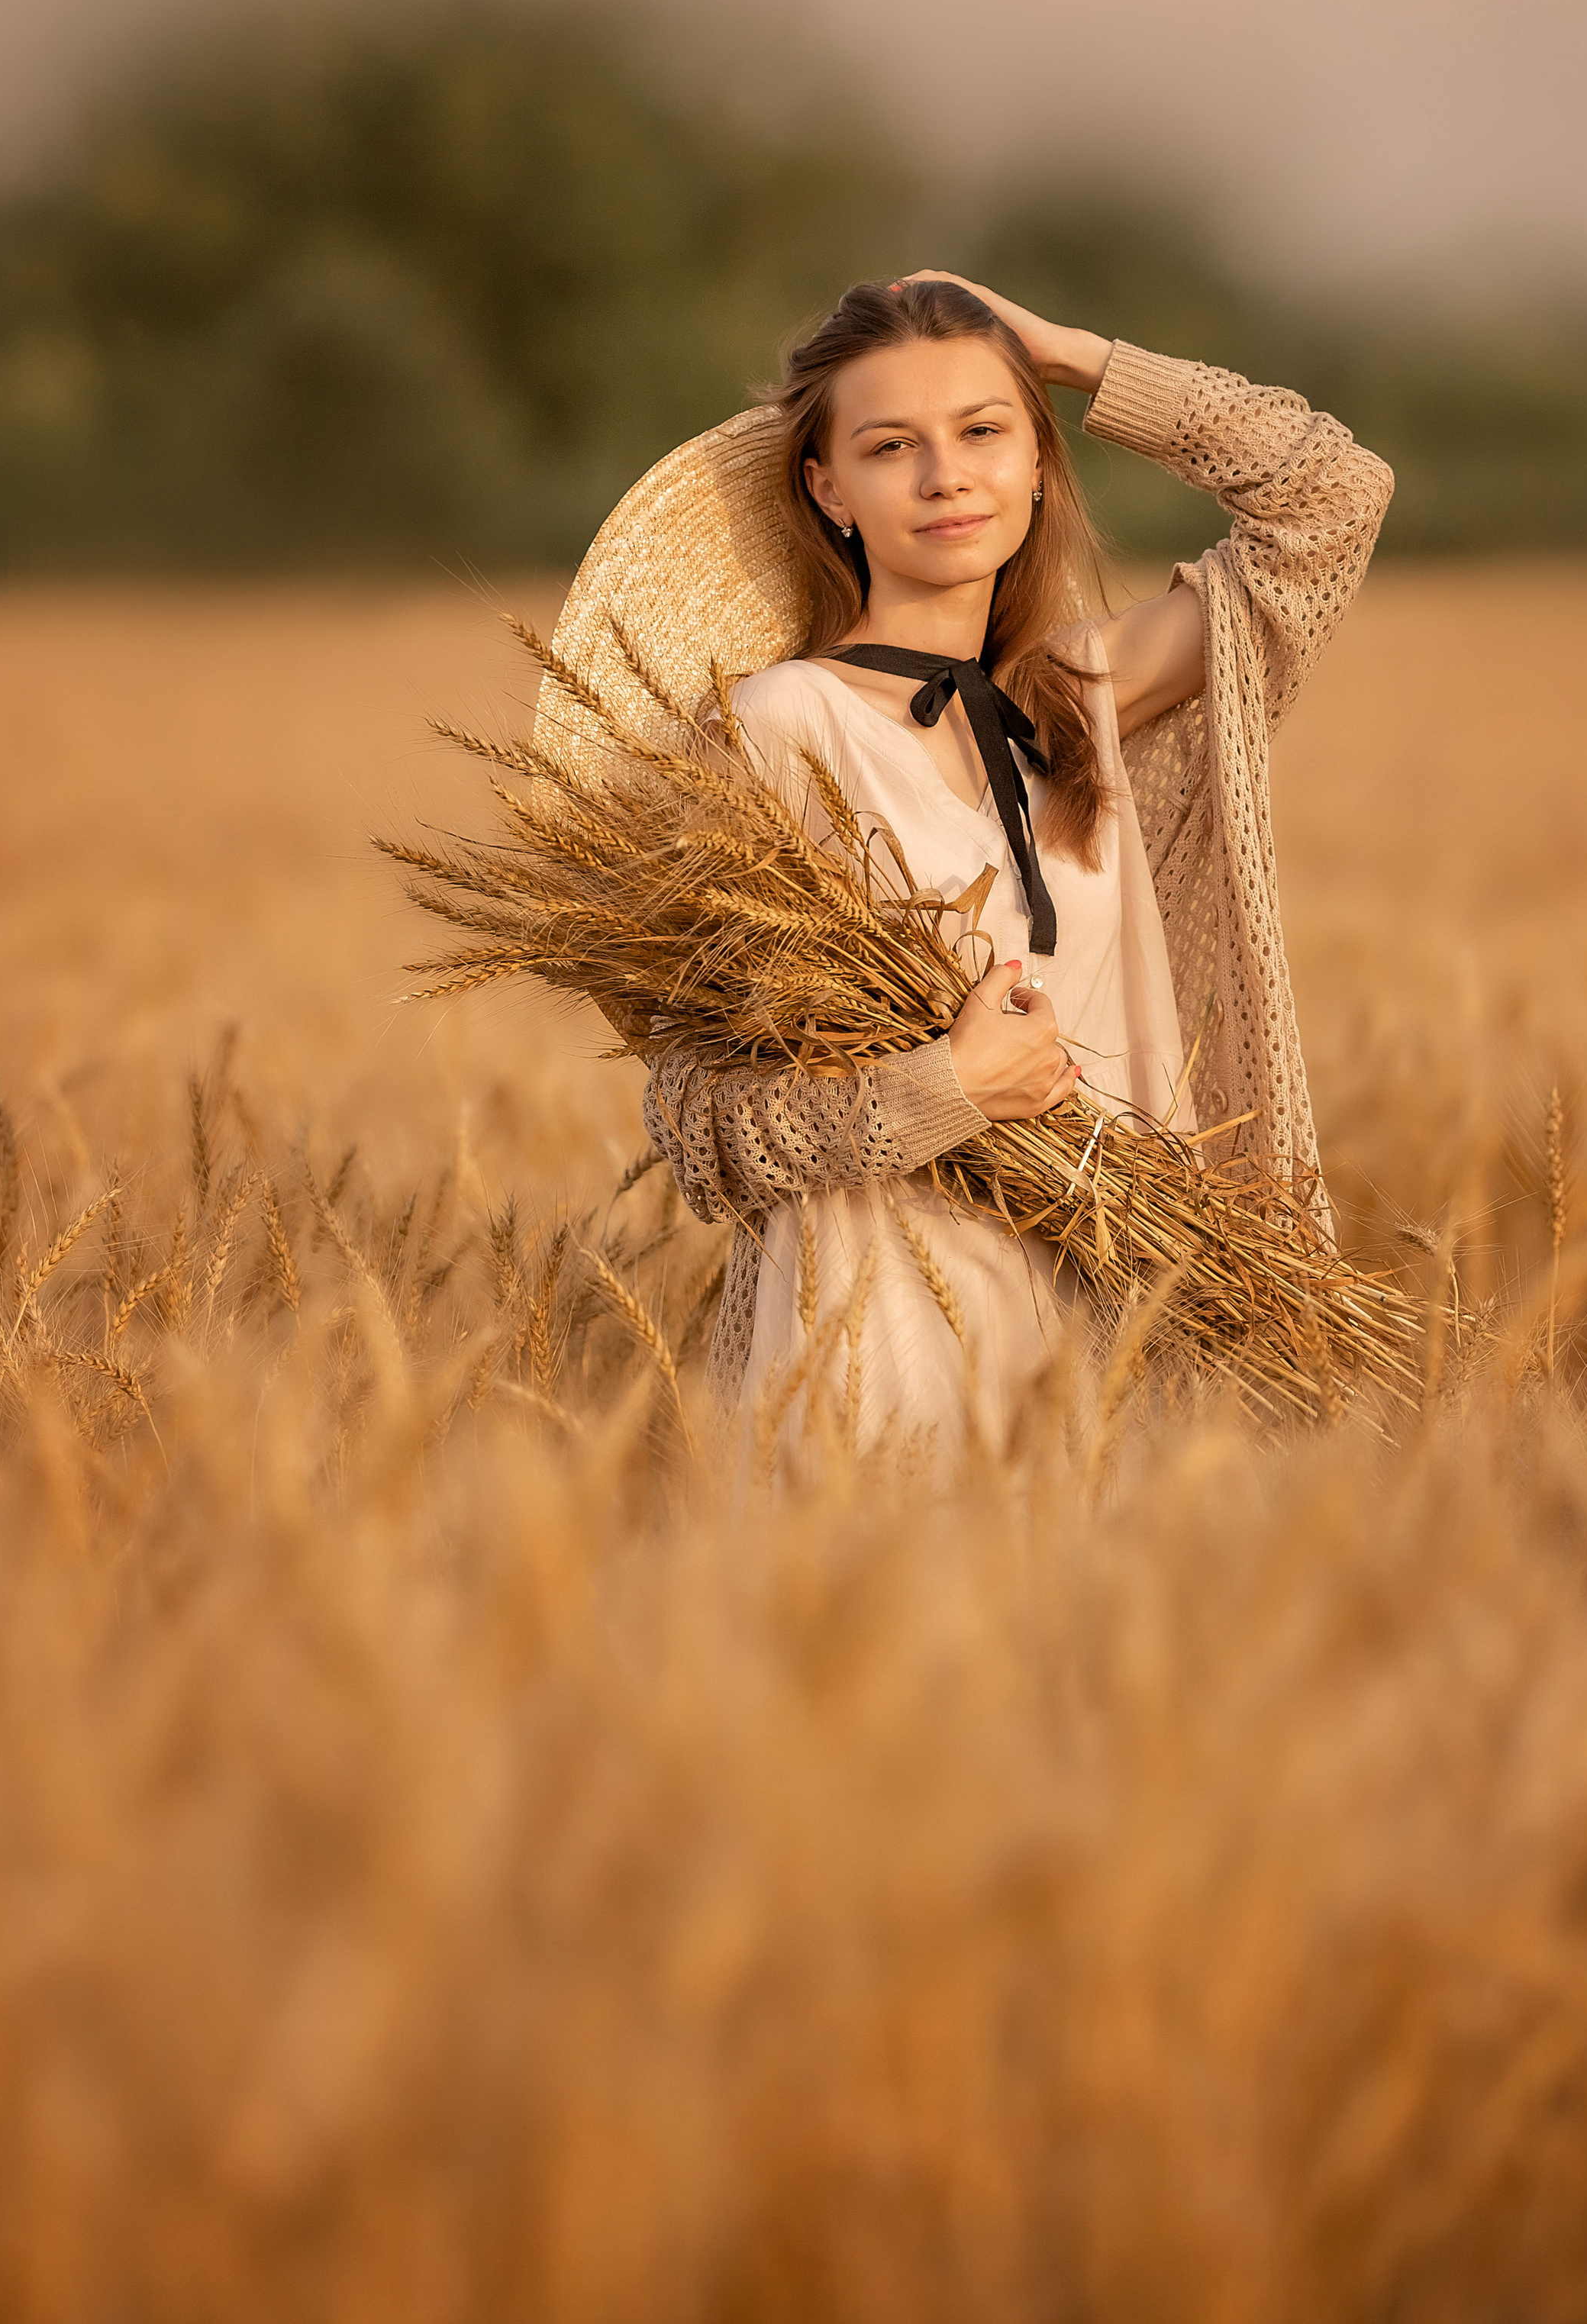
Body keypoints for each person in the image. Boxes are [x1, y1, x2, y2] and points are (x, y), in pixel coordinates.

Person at [561, 272, 1393, 1464]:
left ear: (1041, 463)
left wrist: (1066, 353)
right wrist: (946, 1088)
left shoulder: (1085, 700)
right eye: (892, 445)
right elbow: (702, 1127)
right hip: (878, 1342)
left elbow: (1333, 501)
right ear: (826, 487)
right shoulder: (778, 727)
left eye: (985, 430)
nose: (946, 475)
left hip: (1106, 1332)